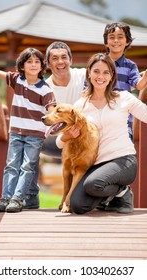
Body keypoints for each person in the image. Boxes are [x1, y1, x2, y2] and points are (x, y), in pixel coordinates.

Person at [56, 53, 147, 215]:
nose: (101, 76)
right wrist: (67, 136)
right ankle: (110, 198)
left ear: (112, 76)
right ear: (89, 73)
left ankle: (122, 192)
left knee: (93, 184)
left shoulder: (123, 98)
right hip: (95, 165)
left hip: (123, 160)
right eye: (96, 71)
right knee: (77, 205)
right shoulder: (80, 105)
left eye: (106, 72)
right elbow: (59, 142)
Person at [0, 47, 56, 212]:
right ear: (22, 66)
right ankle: (5, 197)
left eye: (37, 62)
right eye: (29, 61)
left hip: (35, 134)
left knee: (28, 166)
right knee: (11, 164)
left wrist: (55, 121)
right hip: (16, 132)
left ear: (42, 66)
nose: (33, 65)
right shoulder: (17, 80)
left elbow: (51, 109)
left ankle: (17, 199)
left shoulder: (46, 89)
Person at [24, 42, 86, 207]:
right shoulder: (42, 88)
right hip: (53, 139)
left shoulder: (84, 76)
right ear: (48, 64)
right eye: (55, 58)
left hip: (83, 137)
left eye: (64, 57)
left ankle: (97, 195)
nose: (60, 62)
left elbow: (108, 72)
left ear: (71, 60)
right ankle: (30, 197)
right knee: (29, 138)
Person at [103, 22, 147, 142]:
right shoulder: (99, 63)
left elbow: (138, 85)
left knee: (124, 147)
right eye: (112, 37)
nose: (116, 40)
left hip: (124, 120)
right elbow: (87, 89)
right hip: (101, 115)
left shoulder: (130, 66)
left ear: (127, 42)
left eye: (120, 37)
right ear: (106, 42)